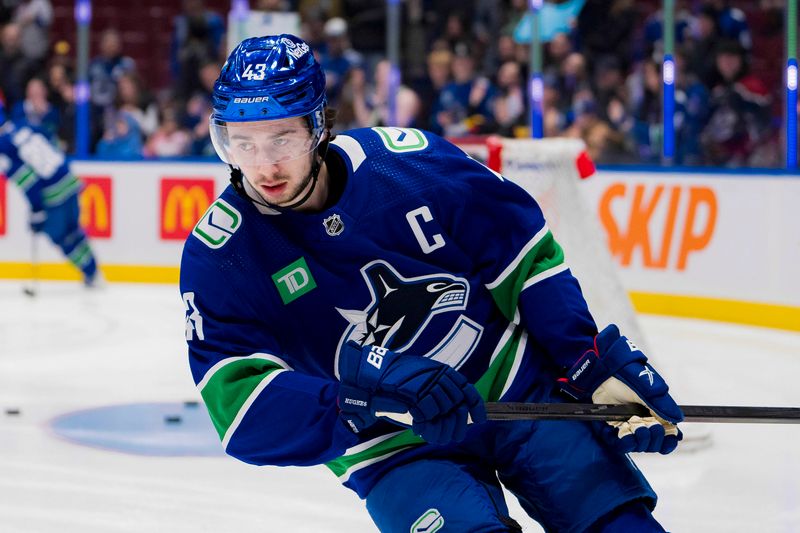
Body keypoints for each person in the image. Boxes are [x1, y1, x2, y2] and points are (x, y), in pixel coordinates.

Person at [180, 34, 683, 532]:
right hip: (390, 445)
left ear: (317, 127)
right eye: (240, 142)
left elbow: (524, 259)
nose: (262, 166)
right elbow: (240, 411)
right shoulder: (220, 256)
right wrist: (354, 400)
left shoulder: (409, 165)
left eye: (281, 139)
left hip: (516, 389)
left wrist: (584, 360)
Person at [0, 100, 100, 286]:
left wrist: (37, 210)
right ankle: (93, 269)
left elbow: (28, 180)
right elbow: (52, 143)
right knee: (73, 230)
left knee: (60, 236)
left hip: (53, 193)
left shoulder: (3, 147)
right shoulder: (22, 125)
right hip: (68, 179)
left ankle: (90, 272)